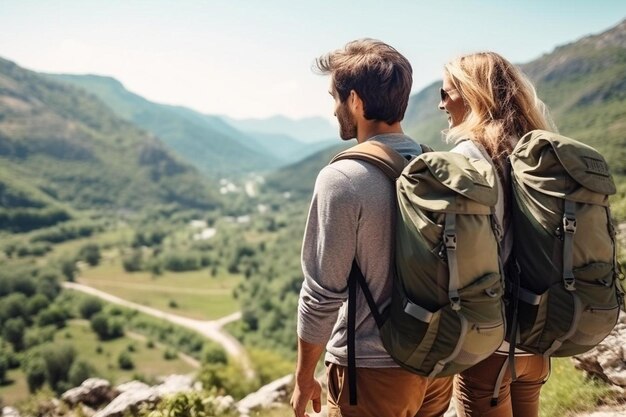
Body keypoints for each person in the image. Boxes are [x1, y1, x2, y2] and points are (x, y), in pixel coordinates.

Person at [290, 39, 454, 417]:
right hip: (436, 361)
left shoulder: (343, 177)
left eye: (336, 97)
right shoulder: (434, 165)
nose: (334, 110)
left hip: (372, 371)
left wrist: (303, 377)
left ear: (356, 102)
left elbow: (322, 292)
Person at [438, 52, 556, 417]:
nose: (442, 104)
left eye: (446, 93)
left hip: (490, 341)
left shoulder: (470, 155)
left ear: (471, 94)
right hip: (537, 336)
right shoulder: (535, 147)